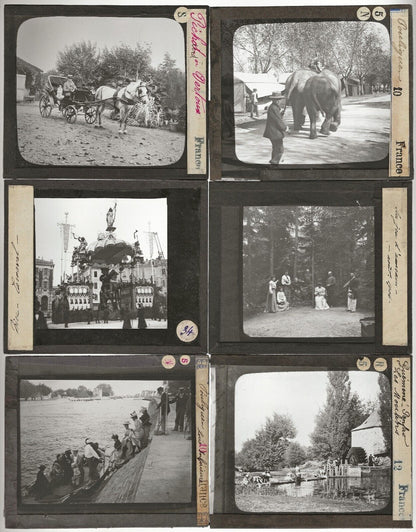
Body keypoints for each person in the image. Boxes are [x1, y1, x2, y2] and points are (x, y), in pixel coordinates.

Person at [263, 92, 287, 164]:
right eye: (278, 99)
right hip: (275, 132)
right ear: (275, 100)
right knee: (279, 149)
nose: (279, 101)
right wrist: (285, 128)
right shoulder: (274, 108)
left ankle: (273, 161)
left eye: (279, 99)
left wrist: (281, 114)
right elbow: (278, 121)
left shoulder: (274, 107)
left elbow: (277, 118)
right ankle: (274, 162)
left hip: (273, 132)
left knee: (276, 148)